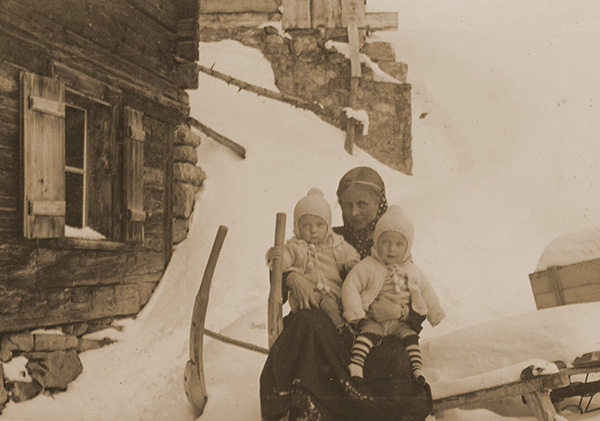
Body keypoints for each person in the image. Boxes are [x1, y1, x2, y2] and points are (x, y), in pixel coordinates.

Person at [260, 167, 433, 421]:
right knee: (307, 323)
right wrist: (292, 277)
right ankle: (308, 409)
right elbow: (294, 258)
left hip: (376, 334)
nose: (354, 212)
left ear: (380, 203)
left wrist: (401, 311)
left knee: (395, 360)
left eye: (362, 204)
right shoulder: (328, 234)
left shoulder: (393, 241)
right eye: (347, 204)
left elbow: (415, 295)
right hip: (330, 329)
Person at [343, 205, 446, 386]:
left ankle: (417, 370)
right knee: (365, 335)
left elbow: (426, 291)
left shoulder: (413, 271)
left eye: (399, 244)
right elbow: (350, 286)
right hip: (373, 320)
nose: (392, 249)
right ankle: (356, 364)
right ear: (376, 242)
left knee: (410, 338)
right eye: (386, 242)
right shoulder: (368, 266)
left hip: (400, 323)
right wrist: (355, 313)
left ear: (407, 247)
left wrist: (435, 312)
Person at [266, 188, 360, 328]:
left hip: (334, 295)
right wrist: (274, 257)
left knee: (338, 307)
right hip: (308, 298)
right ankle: (342, 330)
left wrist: (351, 262)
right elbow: (283, 262)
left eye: (319, 225)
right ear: (297, 227)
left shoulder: (336, 244)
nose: (313, 230)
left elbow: (349, 253)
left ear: (328, 226)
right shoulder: (295, 247)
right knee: (329, 307)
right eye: (306, 225)